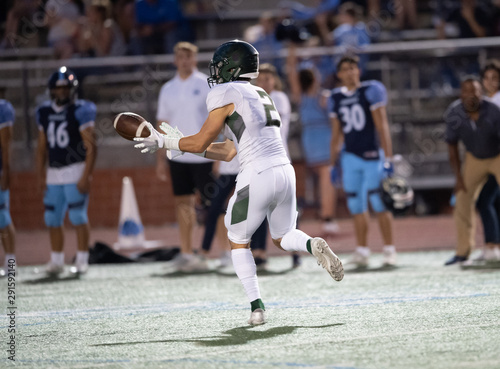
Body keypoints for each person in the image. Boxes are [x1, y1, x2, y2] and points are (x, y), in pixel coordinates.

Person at [134, 40, 344, 325]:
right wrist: (181, 145)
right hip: (284, 170)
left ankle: (257, 307)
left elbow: (201, 140)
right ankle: (312, 245)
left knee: (237, 239)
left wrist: (164, 141)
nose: (216, 72)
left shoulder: (224, 91)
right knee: (283, 236)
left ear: (232, 66)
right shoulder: (260, 93)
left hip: (256, 173)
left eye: (220, 66)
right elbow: (229, 149)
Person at [330, 55, 397, 268]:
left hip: (371, 155)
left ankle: (389, 249)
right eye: (345, 69)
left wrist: (388, 158)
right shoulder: (335, 97)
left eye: (353, 68)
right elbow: (336, 134)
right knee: (355, 204)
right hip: (349, 156)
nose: (350, 72)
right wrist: (333, 163)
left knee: (379, 202)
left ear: (358, 70)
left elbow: (382, 126)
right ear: (339, 75)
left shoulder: (371, 90)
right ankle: (362, 250)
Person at [155, 42, 213, 272]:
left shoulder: (206, 83)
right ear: (174, 60)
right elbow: (163, 124)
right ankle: (187, 252)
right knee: (182, 204)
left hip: (204, 155)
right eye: (181, 56)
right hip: (177, 154)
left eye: (189, 56)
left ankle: (224, 253)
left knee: (213, 206)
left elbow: (216, 120)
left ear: (195, 58)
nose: (185, 60)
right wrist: (160, 158)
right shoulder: (168, 88)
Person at [36, 67, 97, 275]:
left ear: (73, 89)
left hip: (75, 169)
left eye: (66, 88)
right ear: (52, 90)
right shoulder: (44, 112)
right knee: (52, 219)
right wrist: (40, 174)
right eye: (58, 88)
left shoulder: (81, 109)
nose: (62, 92)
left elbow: (91, 146)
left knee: (78, 216)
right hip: (53, 171)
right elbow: (41, 146)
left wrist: (87, 174)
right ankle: (56, 260)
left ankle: (82, 260)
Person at [444, 77, 500, 265]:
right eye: (466, 91)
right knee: (462, 199)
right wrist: (458, 178)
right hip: (474, 158)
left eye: (475, 90)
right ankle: (463, 251)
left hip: (497, 155)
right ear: (461, 94)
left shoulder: (494, 110)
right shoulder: (454, 112)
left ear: (481, 92)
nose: (471, 95)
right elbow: (452, 147)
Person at [286, 43, 340, 236]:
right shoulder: (323, 96)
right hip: (323, 137)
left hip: (311, 139)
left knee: (322, 178)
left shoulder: (303, 97)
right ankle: (327, 217)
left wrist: (291, 49)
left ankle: (325, 215)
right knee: (327, 179)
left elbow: (291, 72)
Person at [254, 63, 301, 270]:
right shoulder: (254, 98)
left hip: (279, 160)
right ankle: (259, 253)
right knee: (259, 207)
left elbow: (265, 123)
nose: (264, 82)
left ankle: (296, 252)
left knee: (286, 208)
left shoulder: (278, 98)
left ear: (274, 80)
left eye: (268, 78)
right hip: (260, 161)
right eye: (260, 78)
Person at [471, 61, 500, 262]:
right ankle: (493, 246)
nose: (490, 82)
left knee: (484, 201)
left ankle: (491, 246)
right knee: (494, 202)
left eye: (495, 78)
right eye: (487, 78)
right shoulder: (483, 102)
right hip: (490, 157)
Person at [0, 99, 16, 277]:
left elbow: (5, 146)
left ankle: (11, 262)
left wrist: (6, 171)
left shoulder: (2, 109)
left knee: (2, 217)